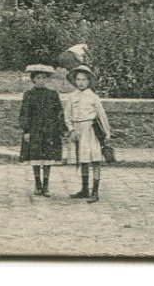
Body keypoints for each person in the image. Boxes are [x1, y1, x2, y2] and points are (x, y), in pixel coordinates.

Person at [62, 64, 111, 203]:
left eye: (84, 79)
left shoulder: (93, 96)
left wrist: (107, 133)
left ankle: (95, 191)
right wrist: (71, 129)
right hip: (77, 131)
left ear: (88, 81)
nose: (81, 82)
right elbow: (67, 116)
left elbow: (102, 115)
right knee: (82, 160)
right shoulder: (72, 97)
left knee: (95, 159)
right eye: (78, 79)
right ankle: (84, 189)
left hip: (90, 130)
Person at [18, 64, 66, 197]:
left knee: (47, 158)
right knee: (36, 157)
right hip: (35, 130)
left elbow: (59, 112)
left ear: (47, 80)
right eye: (38, 78)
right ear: (33, 79)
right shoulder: (29, 95)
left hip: (50, 130)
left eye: (44, 78)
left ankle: (46, 184)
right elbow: (24, 113)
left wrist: (60, 129)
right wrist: (26, 130)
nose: (41, 80)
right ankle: (37, 183)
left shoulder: (52, 94)